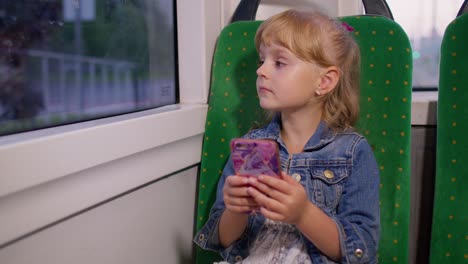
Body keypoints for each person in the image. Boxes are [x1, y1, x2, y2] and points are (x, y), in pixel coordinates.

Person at [194, 9, 380, 264]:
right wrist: (237, 209)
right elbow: (221, 239)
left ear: (325, 82)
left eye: (279, 63)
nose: (261, 71)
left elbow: (362, 249)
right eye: (262, 61)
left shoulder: (353, 152)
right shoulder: (252, 147)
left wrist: (303, 214)